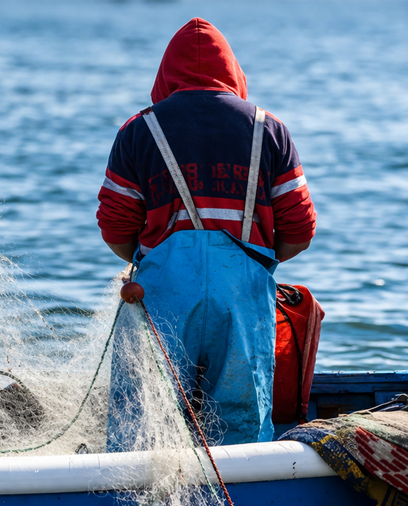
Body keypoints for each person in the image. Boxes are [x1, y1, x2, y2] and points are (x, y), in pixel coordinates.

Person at [97, 18, 316, 448]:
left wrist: (156, 260)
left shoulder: (139, 130)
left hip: (161, 298)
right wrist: (250, 264)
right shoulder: (269, 129)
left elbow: (115, 228)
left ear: (165, 75)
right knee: (240, 423)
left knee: (141, 421)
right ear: (233, 72)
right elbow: (300, 230)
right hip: (243, 298)